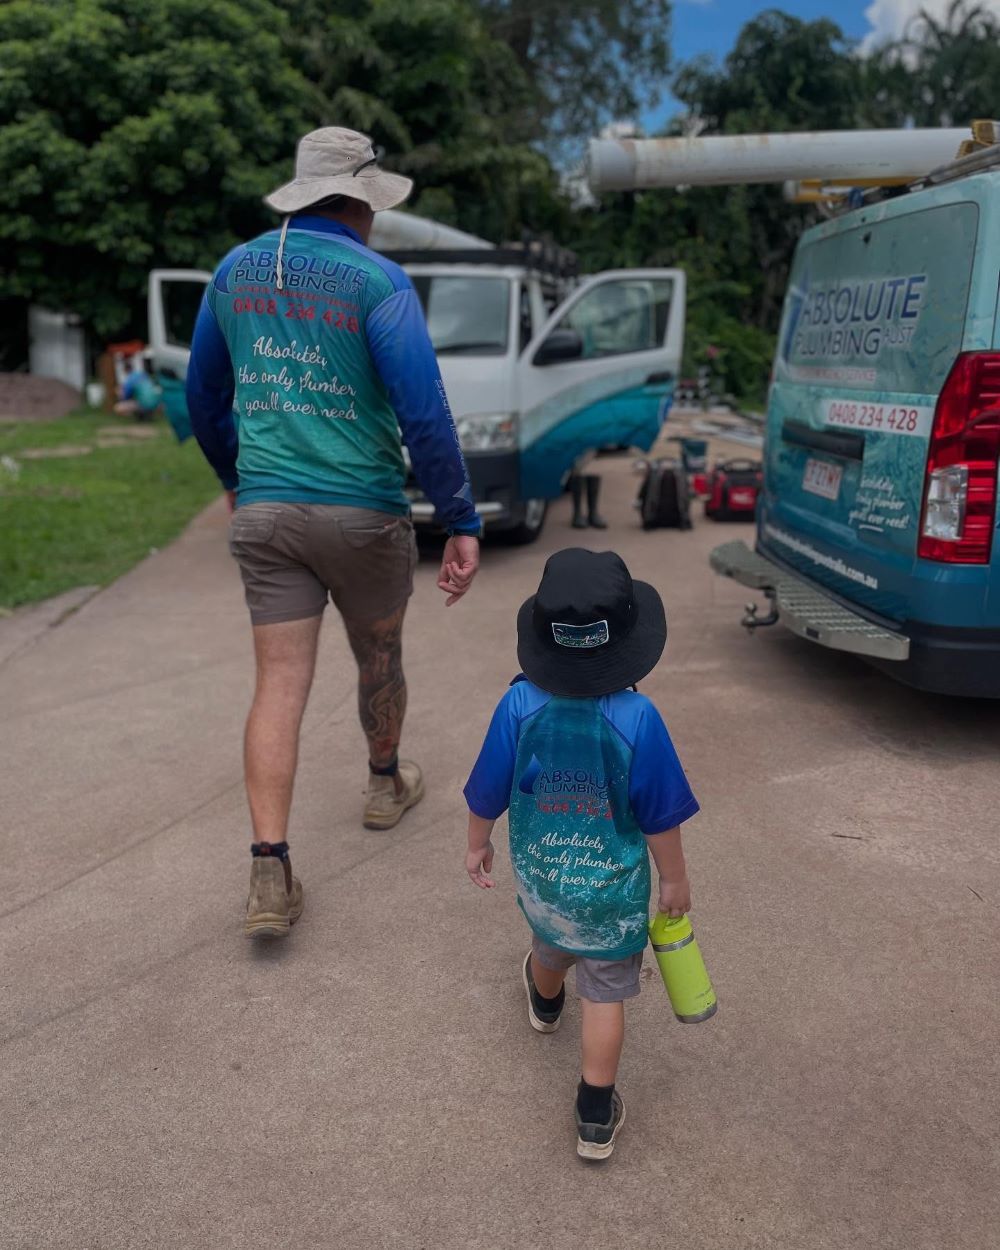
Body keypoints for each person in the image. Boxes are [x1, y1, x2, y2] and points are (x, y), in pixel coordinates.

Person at [186, 126, 482, 940]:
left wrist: (235, 481)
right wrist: (458, 517)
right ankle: (385, 785)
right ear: (361, 201)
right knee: (378, 653)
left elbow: (202, 396)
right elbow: (423, 413)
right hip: (363, 513)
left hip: (269, 512)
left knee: (278, 683)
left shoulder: (232, 271)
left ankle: (269, 871)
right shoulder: (378, 281)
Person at [463, 548, 699, 1160]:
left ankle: (543, 1002)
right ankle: (594, 1113)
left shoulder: (519, 705)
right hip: (612, 892)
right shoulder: (638, 717)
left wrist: (477, 842)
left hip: (545, 879)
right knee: (605, 993)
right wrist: (673, 880)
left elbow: (487, 786)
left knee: (550, 943)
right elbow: (660, 812)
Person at [114, 353, 162, 420]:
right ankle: (148, 415)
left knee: (118, 407)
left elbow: (126, 396)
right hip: (156, 403)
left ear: (125, 371)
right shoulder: (144, 375)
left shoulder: (129, 380)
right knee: (145, 399)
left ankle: (136, 415)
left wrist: (120, 394)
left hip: (143, 404)